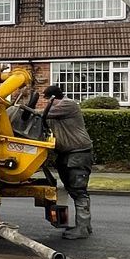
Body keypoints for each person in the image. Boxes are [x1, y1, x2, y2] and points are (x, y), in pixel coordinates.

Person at [41, 83, 95, 239]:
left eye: (47, 100)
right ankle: (85, 225)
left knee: (79, 191)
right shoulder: (56, 110)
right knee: (71, 189)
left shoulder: (68, 104)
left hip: (78, 153)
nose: (46, 104)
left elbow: (42, 115)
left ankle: (83, 229)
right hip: (67, 154)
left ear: (53, 98)